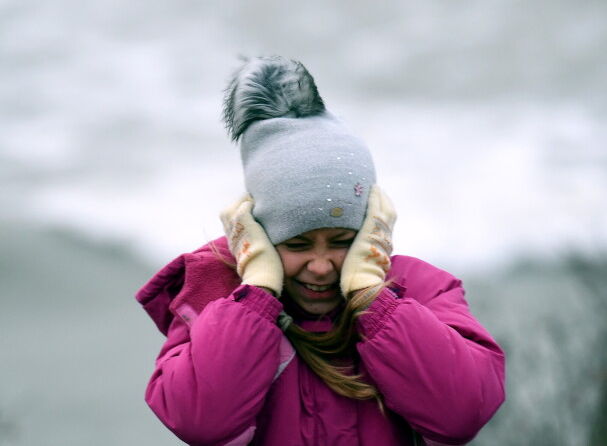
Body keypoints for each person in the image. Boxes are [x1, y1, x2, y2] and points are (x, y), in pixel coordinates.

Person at [136, 56, 505, 446]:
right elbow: (201, 421)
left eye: (343, 241)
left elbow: (462, 413)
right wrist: (258, 291)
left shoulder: (420, 291)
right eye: (297, 244)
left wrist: (371, 296)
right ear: (258, 234)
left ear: (371, 230)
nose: (321, 265)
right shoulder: (212, 298)